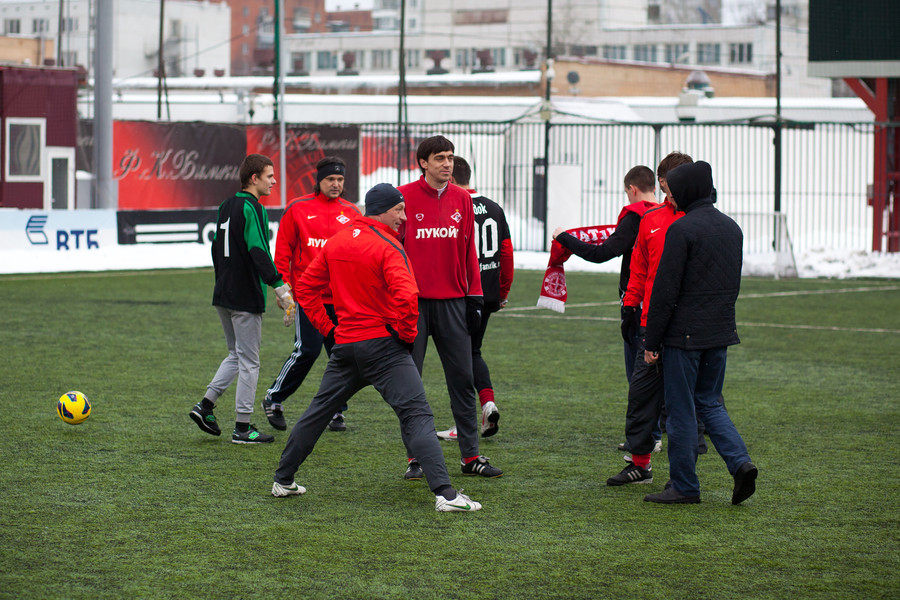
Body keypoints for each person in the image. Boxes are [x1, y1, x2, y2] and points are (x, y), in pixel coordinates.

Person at [271, 183, 482, 512]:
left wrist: (330, 329)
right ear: (382, 210)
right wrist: (407, 335)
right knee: (417, 415)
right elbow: (408, 297)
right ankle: (447, 495)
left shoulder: (337, 241)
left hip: (346, 346)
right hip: (383, 347)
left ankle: (283, 479)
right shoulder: (389, 246)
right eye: (399, 210)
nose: (404, 216)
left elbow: (305, 288)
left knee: (317, 413)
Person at [642, 160, 758, 505]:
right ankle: (740, 463)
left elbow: (666, 290)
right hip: (719, 332)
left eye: (673, 192)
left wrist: (652, 340)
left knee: (680, 410)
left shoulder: (682, 230)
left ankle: (685, 486)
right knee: (710, 403)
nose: (670, 198)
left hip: (684, 336)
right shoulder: (732, 228)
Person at [397, 136, 503, 480]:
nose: (448, 163)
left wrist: (474, 297)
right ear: (423, 163)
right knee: (410, 384)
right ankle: (415, 458)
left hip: (454, 304)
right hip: (414, 304)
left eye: (451, 158)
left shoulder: (462, 199)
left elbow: (469, 252)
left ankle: (470, 456)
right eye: (440, 158)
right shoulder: (404, 198)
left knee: (462, 379)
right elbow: (391, 251)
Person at [190, 153, 295, 444]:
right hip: (244, 295)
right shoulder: (254, 209)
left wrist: (223, 281)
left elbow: (215, 250)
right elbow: (259, 250)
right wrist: (279, 287)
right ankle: (243, 427)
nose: (274, 181)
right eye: (269, 176)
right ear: (254, 178)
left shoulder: (226, 206)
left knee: (236, 355)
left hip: (223, 292)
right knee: (250, 361)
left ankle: (205, 406)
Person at [607, 153, 693, 485]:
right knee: (641, 394)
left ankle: (688, 474)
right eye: (664, 187)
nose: (668, 194)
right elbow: (639, 271)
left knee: (691, 399)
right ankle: (640, 464)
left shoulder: (698, 219)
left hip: (687, 326)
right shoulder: (651, 218)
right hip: (649, 324)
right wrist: (630, 308)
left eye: (672, 187)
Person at [263, 157, 361, 434]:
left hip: (341, 299)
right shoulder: (297, 209)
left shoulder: (352, 212)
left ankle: (336, 410)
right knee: (307, 349)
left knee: (342, 354)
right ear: (318, 181)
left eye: (340, 180)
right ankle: (274, 398)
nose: (336, 184)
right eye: (331, 179)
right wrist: (284, 292)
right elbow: (282, 252)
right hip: (307, 295)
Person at [552, 166, 658, 384]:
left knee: (640, 381)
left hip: (638, 305)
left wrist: (564, 238)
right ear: (655, 187)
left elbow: (600, 253)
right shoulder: (668, 215)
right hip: (665, 304)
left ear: (632, 189)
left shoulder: (635, 218)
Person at [436, 156, 514, 441]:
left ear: (451, 178)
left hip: (461, 293)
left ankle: (464, 422)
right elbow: (506, 252)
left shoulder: (454, 204)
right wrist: (502, 291)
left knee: (460, 358)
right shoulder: (494, 207)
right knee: (472, 352)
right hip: (489, 291)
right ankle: (487, 402)